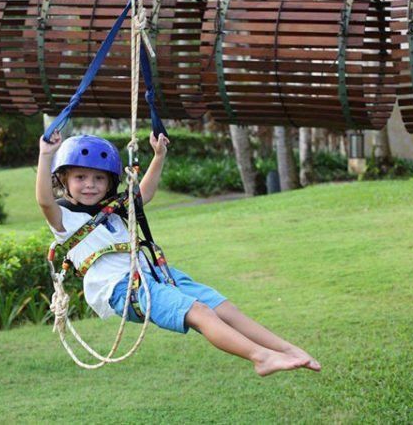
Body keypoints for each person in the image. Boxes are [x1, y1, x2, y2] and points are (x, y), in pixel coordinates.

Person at [36, 132, 322, 376]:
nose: (90, 184)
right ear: (64, 179)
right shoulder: (65, 218)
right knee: (198, 312)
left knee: (221, 307)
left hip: (155, 275)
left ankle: (283, 348)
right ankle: (261, 358)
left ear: (110, 182)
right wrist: (46, 155)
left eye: (99, 178)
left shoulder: (114, 210)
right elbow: (43, 201)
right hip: (122, 288)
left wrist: (158, 155)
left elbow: (143, 194)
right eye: (81, 177)